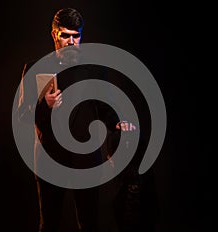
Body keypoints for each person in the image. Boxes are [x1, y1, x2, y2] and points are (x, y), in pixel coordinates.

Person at [16, 8, 136, 232]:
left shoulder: (95, 70)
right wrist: (45, 105)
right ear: (54, 35)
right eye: (65, 35)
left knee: (89, 223)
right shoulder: (34, 69)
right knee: (49, 224)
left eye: (76, 35)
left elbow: (106, 107)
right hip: (48, 160)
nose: (71, 42)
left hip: (86, 160)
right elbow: (22, 114)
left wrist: (117, 123)